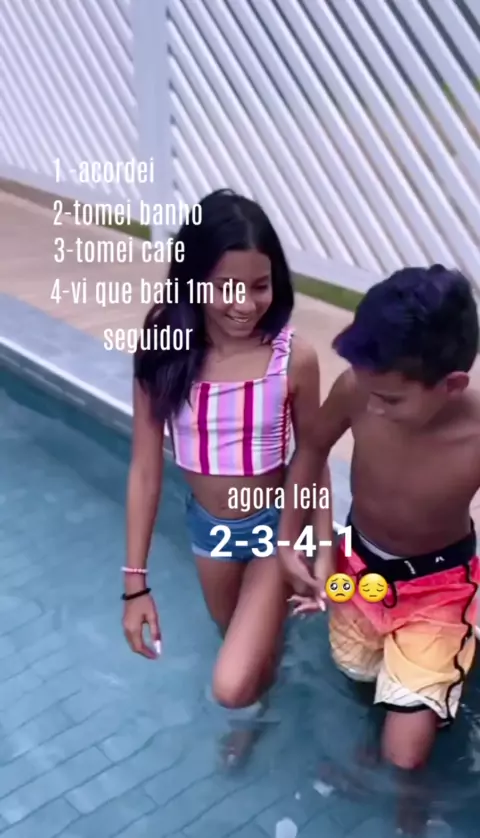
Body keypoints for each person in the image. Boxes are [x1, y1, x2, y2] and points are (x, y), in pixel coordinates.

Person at [122, 188, 329, 765]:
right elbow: (145, 469)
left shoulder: (293, 357)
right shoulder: (165, 348)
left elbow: (312, 458)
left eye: (260, 286)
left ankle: (253, 710)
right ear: (193, 281)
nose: (244, 304)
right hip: (209, 530)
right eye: (225, 287)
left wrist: (322, 547)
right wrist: (135, 585)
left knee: (231, 685)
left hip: (275, 528)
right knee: (233, 637)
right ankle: (267, 682)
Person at [283, 265, 480, 823]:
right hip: (359, 568)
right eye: (367, 389)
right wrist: (289, 540)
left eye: (391, 399)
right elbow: (312, 449)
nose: (372, 407)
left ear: (451, 385)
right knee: (357, 677)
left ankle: (410, 808)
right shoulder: (359, 389)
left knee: (406, 755)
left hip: (438, 590)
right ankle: (393, 711)